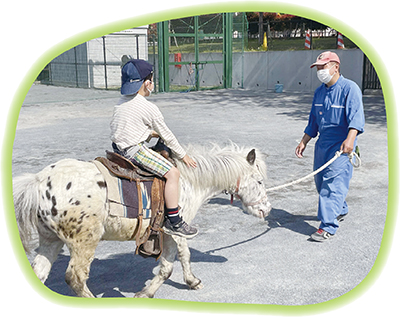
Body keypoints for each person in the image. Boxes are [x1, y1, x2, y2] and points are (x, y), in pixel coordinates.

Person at [110, 59, 198, 239]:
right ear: (146, 83)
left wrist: (149, 134)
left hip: (117, 148)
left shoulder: (121, 101)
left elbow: (125, 127)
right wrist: (184, 156)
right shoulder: (149, 107)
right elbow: (168, 136)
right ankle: (174, 220)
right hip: (134, 151)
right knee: (173, 173)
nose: (152, 83)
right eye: (151, 79)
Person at [295, 51, 365, 242]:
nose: (320, 70)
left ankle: (328, 226)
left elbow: (356, 119)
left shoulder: (350, 89)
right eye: (318, 67)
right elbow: (313, 122)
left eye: (323, 66)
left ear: (336, 67)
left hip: (342, 146)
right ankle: (340, 208)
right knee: (320, 183)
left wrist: (350, 140)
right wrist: (304, 141)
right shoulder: (319, 92)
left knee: (331, 186)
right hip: (322, 145)